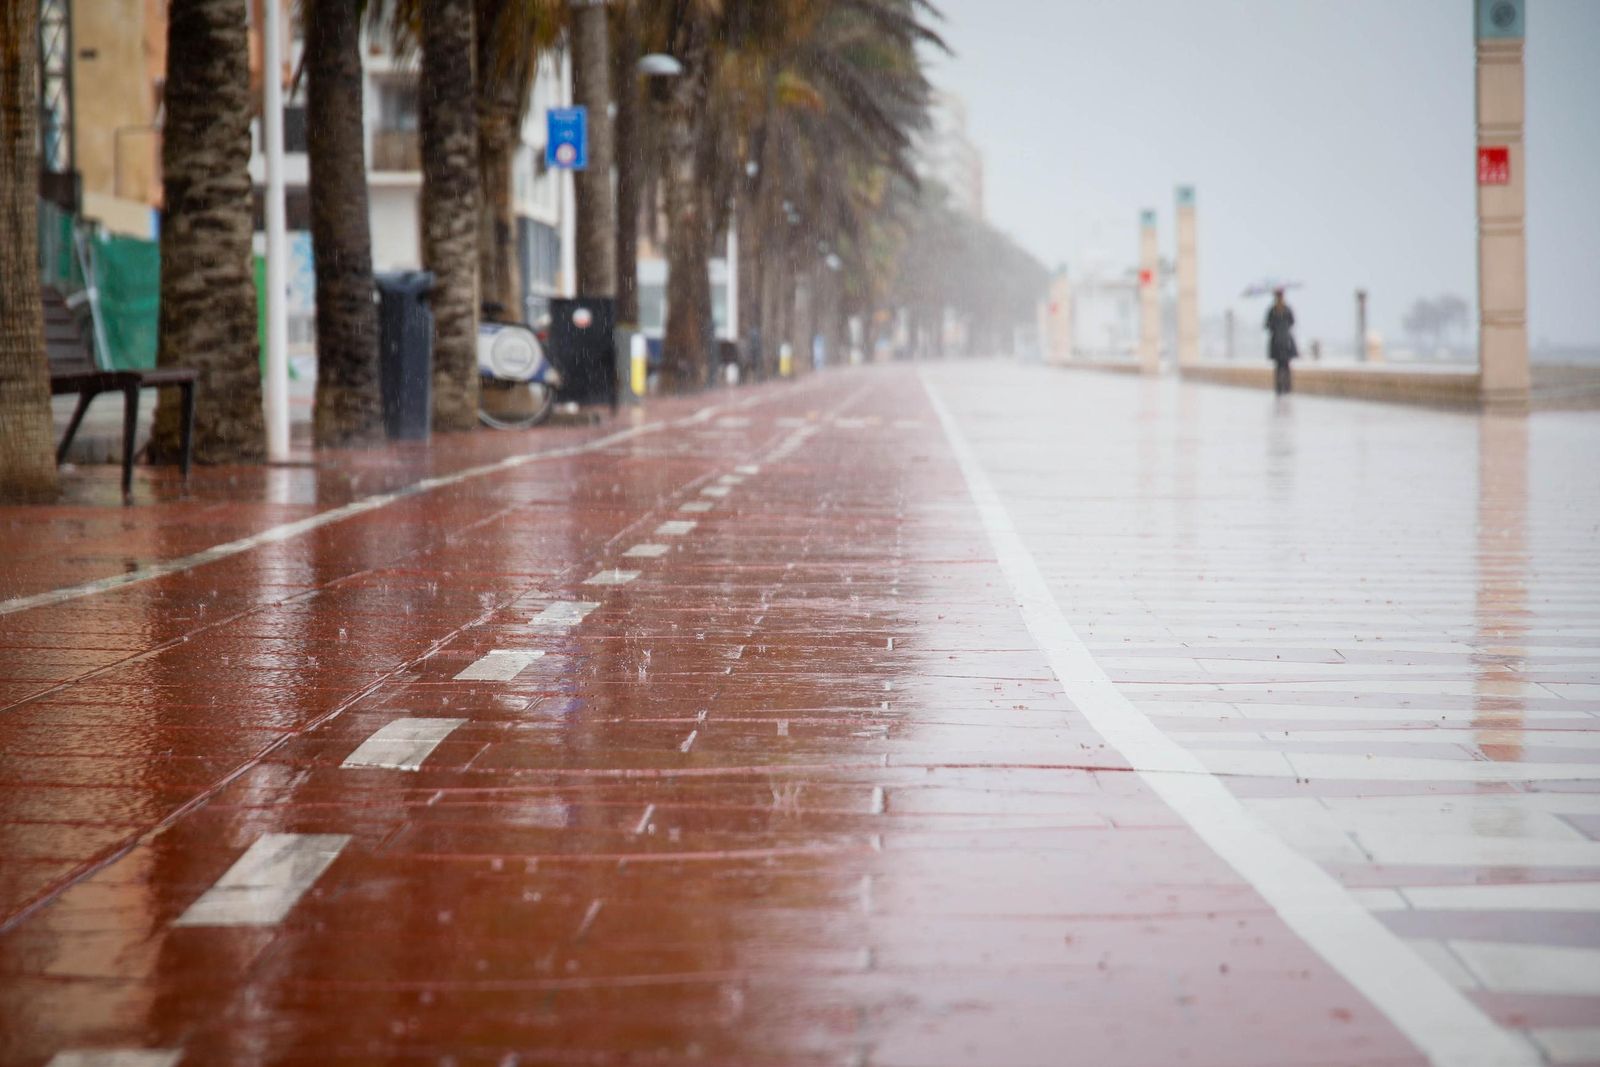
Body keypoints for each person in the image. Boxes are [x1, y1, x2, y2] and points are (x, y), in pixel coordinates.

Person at [1264, 289, 1298, 395]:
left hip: (1281, 342)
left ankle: (1283, 387)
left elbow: (1292, 322)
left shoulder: (1277, 310)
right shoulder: (1278, 310)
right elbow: (1292, 322)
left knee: (1283, 366)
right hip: (1281, 342)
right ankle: (1283, 387)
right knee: (1282, 366)